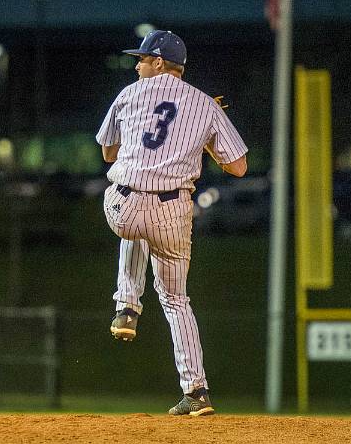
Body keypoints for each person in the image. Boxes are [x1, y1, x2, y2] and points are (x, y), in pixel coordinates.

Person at [95, 30, 248, 416]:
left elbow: (108, 153)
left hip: (123, 205)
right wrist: (203, 138)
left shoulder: (129, 93)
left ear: (159, 62)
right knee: (177, 300)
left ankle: (127, 306)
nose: (137, 65)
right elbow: (239, 168)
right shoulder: (205, 105)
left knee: (134, 225)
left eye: (142, 59)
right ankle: (197, 392)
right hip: (173, 212)